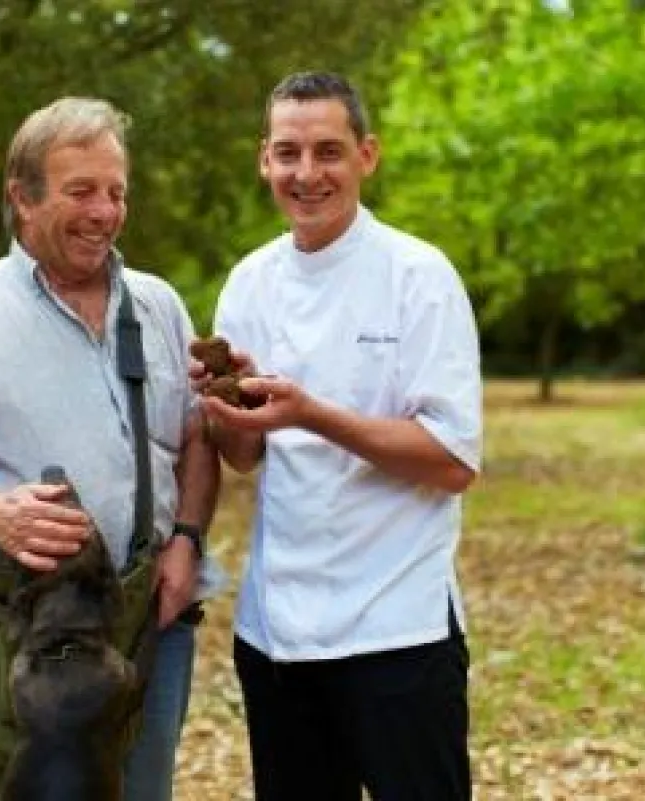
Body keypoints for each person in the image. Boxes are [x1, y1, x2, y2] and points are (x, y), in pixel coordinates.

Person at [0, 96, 222, 801]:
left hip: (147, 627)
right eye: (82, 191)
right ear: (22, 198)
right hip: (22, 640)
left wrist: (185, 538)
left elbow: (194, 436)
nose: (105, 211)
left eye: (117, 192)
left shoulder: (158, 305)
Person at [193, 71, 482, 801]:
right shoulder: (249, 282)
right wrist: (233, 411)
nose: (307, 173)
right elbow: (247, 458)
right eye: (288, 153)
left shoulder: (419, 276)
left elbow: (452, 460)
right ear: (264, 160)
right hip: (278, 631)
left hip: (399, 628)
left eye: (328, 151)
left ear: (367, 155)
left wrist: (311, 413)